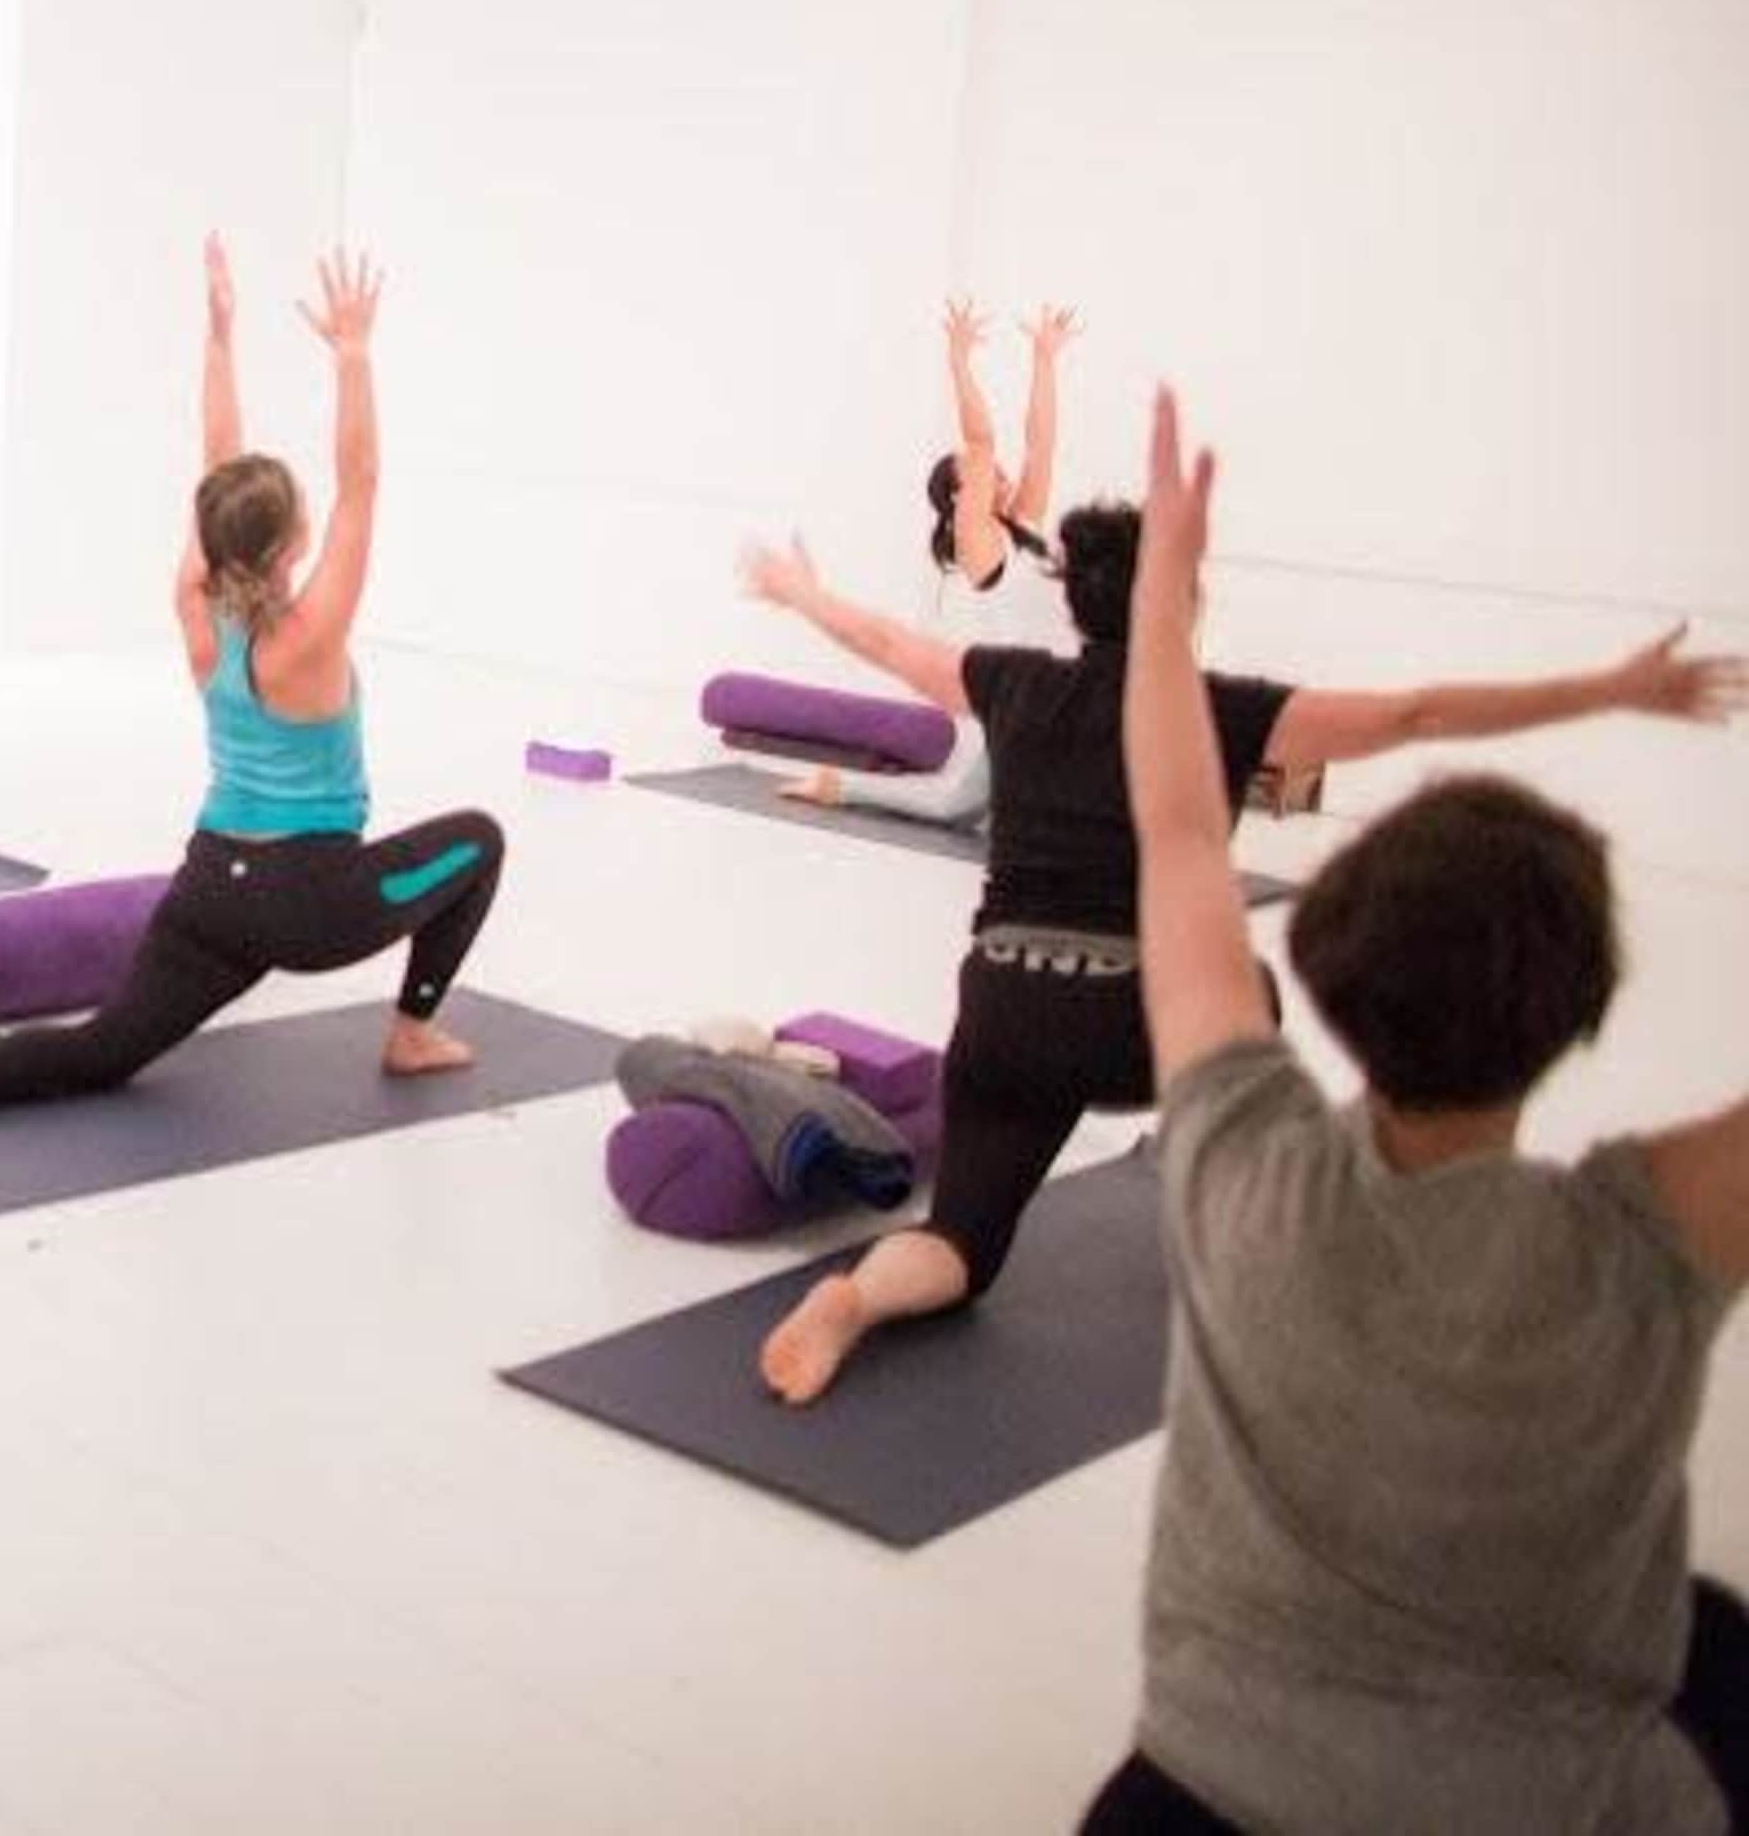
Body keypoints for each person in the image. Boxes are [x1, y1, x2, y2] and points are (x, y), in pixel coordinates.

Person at [1086, 391, 1745, 1834]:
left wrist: (1161, 604)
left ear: (1325, 975)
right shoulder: (1646, 1251)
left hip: (1196, 1800)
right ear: (1581, 1010)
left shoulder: (1239, 1165)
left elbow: (1179, 825)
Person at [736, 504, 1742, 1407]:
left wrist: (794, 588)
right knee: (1248, 986)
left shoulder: (1012, 683)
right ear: (1184, 598)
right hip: (1146, 1025)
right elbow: (1416, 714)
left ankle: (858, 1296)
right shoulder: (1218, 707)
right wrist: (1611, 688)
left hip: (1003, 1004)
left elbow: (884, 641)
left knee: (957, 1239)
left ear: (1078, 605)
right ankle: (1261, 1200)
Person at [0, 238, 505, 1145]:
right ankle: (413, 1030)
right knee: (478, 841)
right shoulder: (308, 639)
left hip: (208, 890)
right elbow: (364, 480)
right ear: (288, 548)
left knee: (106, 1045)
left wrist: (221, 336)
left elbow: (216, 472)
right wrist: (353, 355)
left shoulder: (200, 610)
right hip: (308, 903)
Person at [784, 299, 1085, 833]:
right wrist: (958, 359)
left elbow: (1042, 445)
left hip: (1060, 695)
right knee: (958, 809)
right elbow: (981, 441)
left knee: (977, 807)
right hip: (1025, 704)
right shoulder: (979, 545)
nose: (1000, 471)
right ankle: (839, 786)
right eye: (983, 472)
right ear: (962, 495)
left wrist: (1044, 360)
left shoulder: (1024, 533)